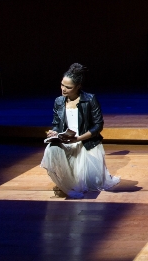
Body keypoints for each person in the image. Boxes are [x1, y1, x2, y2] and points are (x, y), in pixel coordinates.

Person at [41, 63, 120, 199]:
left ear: (78, 86)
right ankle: (65, 183)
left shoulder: (90, 99)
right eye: (62, 85)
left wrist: (78, 139)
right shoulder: (59, 101)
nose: (63, 89)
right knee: (51, 149)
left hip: (85, 142)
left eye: (68, 87)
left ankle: (69, 185)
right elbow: (57, 124)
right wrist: (54, 132)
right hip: (67, 140)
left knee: (85, 182)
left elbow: (98, 125)